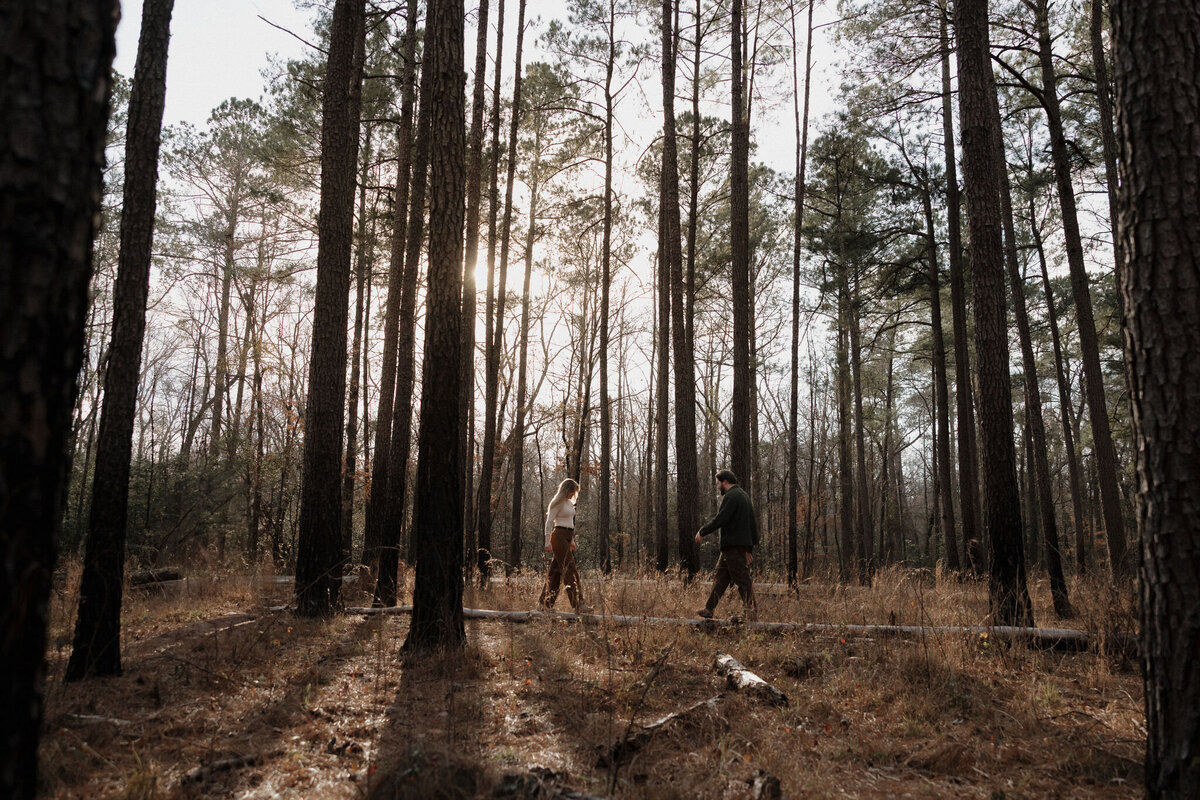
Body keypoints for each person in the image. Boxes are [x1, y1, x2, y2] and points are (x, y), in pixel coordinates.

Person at [694, 469, 758, 619]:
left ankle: (751, 613)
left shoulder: (732, 496)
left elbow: (721, 519)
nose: (717, 487)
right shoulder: (743, 496)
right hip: (734, 547)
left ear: (725, 482)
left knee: (742, 579)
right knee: (721, 578)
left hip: (733, 547)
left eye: (718, 484)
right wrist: (749, 548)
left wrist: (702, 531)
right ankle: (709, 609)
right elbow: (752, 525)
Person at [539, 478, 584, 611]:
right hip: (558, 536)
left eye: (574, 492)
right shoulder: (557, 502)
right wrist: (547, 542)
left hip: (567, 537)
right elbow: (549, 522)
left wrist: (571, 541)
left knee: (556, 572)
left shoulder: (570, 503)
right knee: (570, 569)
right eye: (571, 491)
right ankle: (578, 604)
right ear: (566, 490)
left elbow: (570, 523)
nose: (572, 494)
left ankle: (544, 604)